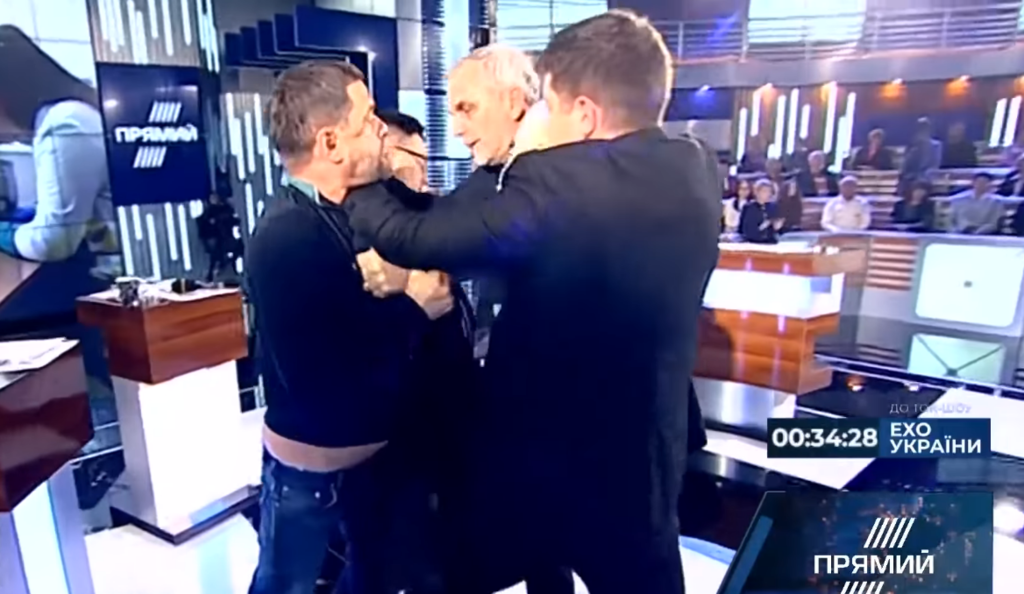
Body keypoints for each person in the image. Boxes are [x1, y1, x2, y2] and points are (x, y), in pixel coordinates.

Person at [345, 10, 720, 594]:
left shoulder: (551, 179)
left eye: (551, 104)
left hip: (559, 461)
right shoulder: (694, 165)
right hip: (641, 460)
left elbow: (417, 238)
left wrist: (360, 181)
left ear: (585, 115)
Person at [245, 60, 455, 594]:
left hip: (372, 465)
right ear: (331, 142)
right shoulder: (289, 235)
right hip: (310, 480)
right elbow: (326, 379)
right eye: (368, 120)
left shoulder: (346, 211)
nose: (382, 129)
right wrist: (414, 307)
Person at [0, 25, 120, 321]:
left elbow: (54, 242)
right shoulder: (67, 116)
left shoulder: (65, 123)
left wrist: (4, 233)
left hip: (108, 282)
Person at [899, 117, 942, 195]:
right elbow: (905, 165)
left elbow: (935, 164)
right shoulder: (912, 146)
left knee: (920, 184)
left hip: (927, 178)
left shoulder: (936, 145)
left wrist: (924, 176)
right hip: (911, 178)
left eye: (924, 128)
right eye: (920, 128)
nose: (922, 131)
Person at [739, 179, 782, 243]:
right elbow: (746, 230)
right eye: (765, 191)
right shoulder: (749, 208)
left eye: (770, 191)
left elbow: (778, 230)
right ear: (756, 193)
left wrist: (778, 227)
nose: (768, 194)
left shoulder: (773, 207)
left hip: (770, 242)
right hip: (753, 243)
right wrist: (764, 225)